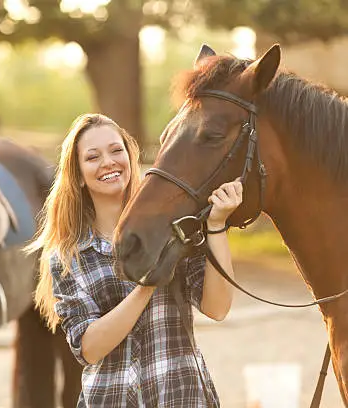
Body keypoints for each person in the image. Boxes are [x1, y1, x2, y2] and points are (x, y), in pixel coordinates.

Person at [27, 113, 242, 407]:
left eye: (117, 150)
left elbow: (217, 308)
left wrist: (216, 226)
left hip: (182, 396)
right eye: (92, 157)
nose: (108, 162)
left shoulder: (174, 226)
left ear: (130, 156)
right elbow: (89, 348)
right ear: (77, 175)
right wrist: (148, 283)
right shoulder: (67, 257)